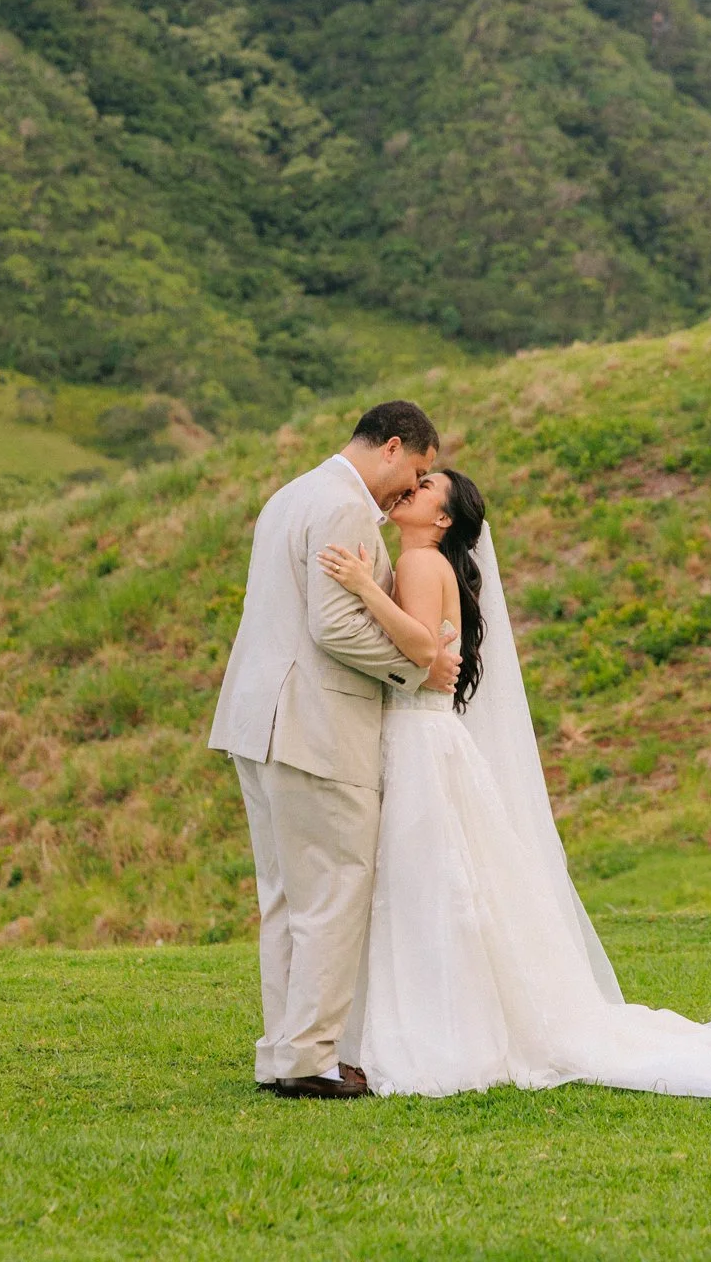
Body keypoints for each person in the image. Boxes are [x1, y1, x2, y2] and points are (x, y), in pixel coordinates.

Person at [318, 469, 711, 1103]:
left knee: (423, 881)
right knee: (442, 883)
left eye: (428, 483)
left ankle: (433, 1031)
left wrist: (360, 588)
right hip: (429, 737)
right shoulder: (424, 560)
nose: (413, 483)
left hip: (417, 740)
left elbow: (415, 647)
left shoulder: (417, 562)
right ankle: (448, 1022)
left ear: (442, 518)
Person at [207, 400, 458, 1099]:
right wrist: (416, 667)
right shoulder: (347, 507)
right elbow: (335, 630)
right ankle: (310, 1059)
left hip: (258, 721)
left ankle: (280, 1051)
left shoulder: (291, 494)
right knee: (335, 890)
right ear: (392, 446)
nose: (409, 490)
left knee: (287, 895)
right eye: (413, 471)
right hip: (315, 723)